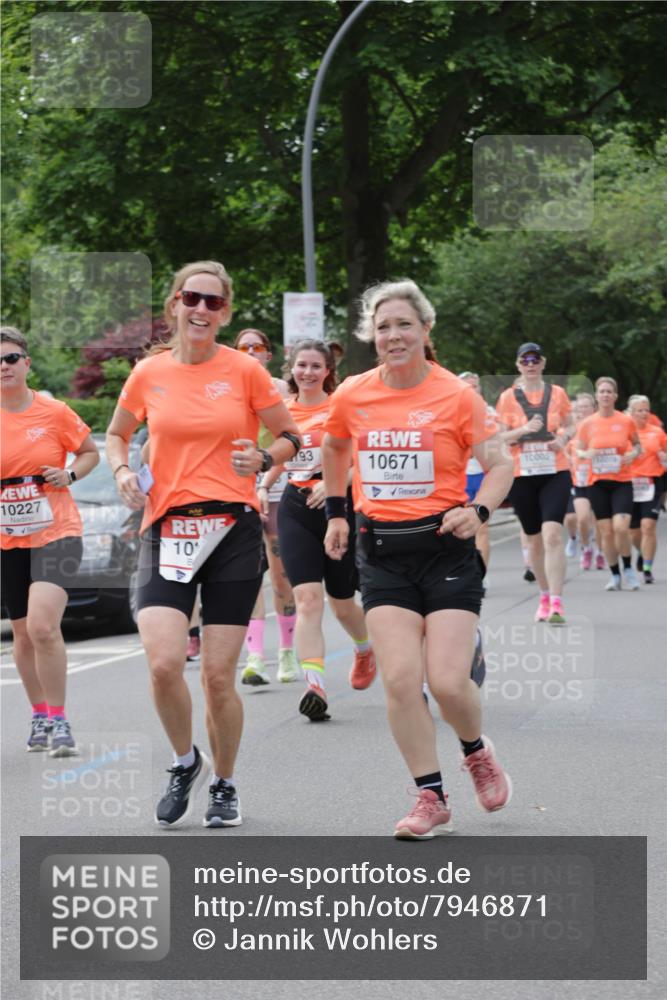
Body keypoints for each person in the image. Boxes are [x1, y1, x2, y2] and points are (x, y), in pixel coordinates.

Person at [106, 261, 300, 829]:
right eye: (193, 298)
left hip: (232, 529)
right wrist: (121, 471)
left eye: (214, 303)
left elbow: (292, 435)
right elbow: (118, 434)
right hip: (167, 527)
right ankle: (185, 760)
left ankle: (226, 782)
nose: (201, 310)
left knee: (218, 677)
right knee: (165, 662)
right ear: (174, 303)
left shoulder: (244, 371)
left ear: (225, 313)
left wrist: (265, 458)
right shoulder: (148, 373)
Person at [323, 281, 514, 839]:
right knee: (402, 681)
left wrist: (477, 511)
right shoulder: (354, 394)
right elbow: (335, 448)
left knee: (449, 684)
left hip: (446, 550)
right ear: (371, 337)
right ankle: (430, 796)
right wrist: (338, 513)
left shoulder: (456, 395)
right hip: (383, 553)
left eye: (404, 325)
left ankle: (477, 752)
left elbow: (499, 465)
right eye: (383, 327)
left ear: (425, 331)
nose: (393, 336)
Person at [260, 339, 375, 722]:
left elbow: (364, 459)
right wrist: (263, 484)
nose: (307, 372)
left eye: (315, 366)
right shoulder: (284, 413)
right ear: (291, 368)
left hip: (337, 508)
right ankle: (316, 686)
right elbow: (283, 454)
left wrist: (335, 481)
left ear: (328, 371)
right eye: (301, 365)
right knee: (307, 599)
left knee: (342, 603)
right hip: (296, 507)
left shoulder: (340, 407)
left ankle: (363, 650)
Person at [0, 326, 99, 756]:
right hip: (8, 538)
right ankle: (39, 712)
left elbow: (90, 451)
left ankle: (60, 721)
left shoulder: (53, 411)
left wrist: (70, 474)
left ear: (26, 363)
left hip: (57, 530)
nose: (3, 367)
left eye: (10, 358)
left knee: (42, 625)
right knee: (22, 634)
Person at [233, 328, 299, 685]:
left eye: (257, 347)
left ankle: (287, 652)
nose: (251, 352)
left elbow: (289, 445)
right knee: (247, 576)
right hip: (238, 490)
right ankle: (256, 656)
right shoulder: (226, 386)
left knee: (280, 575)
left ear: (268, 354)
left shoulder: (280, 390)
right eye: (243, 347)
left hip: (273, 488)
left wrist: (264, 482)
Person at [496, 343, 575, 625]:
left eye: (535, 359)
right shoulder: (507, 398)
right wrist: (523, 430)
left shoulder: (558, 394)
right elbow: (501, 437)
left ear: (542, 363)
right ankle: (543, 595)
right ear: (518, 365)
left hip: (555, 470)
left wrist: (563, 439)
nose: (530, 363)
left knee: (553, 533)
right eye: (524, 359)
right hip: (522, 473)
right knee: (534, 540)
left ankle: (557, 601)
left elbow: (571, 424)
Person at [576, 377, 642, 591]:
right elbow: (578, 449)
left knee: (621, 528)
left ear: (615, 396)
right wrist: (587, 453)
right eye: (601, 391)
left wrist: (633, 454)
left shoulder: (626, 421)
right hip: (597, 483)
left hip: (622, 481)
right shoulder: (587, 424)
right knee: (605, 531)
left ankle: (628, 569)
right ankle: (614, 575)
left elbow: (637, 446)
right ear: (597, 396)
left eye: (609, 391)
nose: (605, 395)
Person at [627, 395, 666, 584]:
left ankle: (648, 568)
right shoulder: (625, 433)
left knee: (648, 526)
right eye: (639, 410)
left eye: (646, 410)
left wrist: (663, 457)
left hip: (653, 482)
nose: (643, 413)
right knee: (633, 531)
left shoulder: (657, 432)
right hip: (629, 483)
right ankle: (642, 552)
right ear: (631, 413)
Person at [458, 372, 492, 579]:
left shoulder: (489, 413)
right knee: (458, 530)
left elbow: (501, 439)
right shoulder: (448, 411)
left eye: (475, 386)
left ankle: (480, 576)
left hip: (481, 475)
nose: (472, 390)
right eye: (467, 386)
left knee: (481, 528)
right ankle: (461, 573)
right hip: (458, 478)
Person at [568, 392, 604, 571]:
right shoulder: (572, 430)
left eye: (586, 406)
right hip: (579, 480)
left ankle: (600, 552)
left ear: (593, 408)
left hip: (599, 478)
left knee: (599, 520)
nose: (582, 410)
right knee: (581, 518)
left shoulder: (600, 427)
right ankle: (586, 548)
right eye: (579, 407)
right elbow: (565, 452)